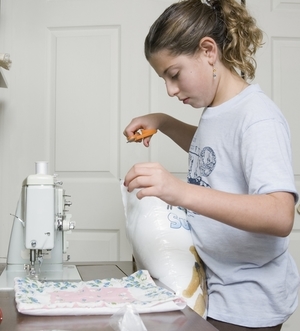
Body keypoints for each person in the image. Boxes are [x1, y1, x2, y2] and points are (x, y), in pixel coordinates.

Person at [123, 0, 299, 330]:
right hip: (219, 288)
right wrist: (162, 121)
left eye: (174, 75)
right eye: (164, 79)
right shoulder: (221, 109)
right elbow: (214, 153)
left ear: (208, 51)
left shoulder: (257, 118)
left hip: (249, 302)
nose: (171, 89)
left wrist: (179, 191)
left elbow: (280, 214)